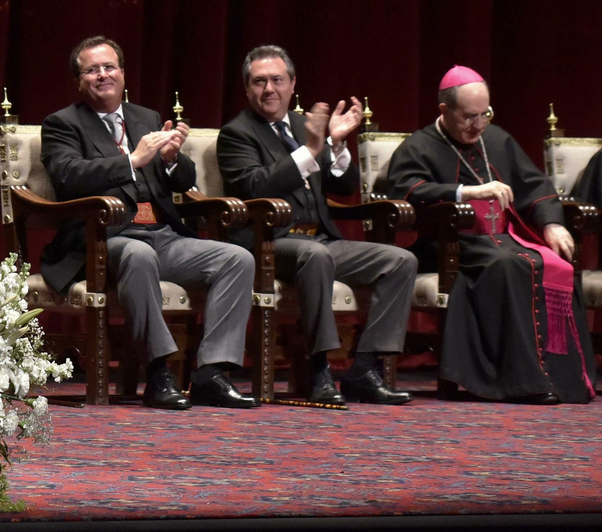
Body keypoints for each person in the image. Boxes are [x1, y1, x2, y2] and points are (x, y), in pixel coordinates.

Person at [40, 36, 259, 410]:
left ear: (123, 74)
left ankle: (211, 373)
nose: (102, 75)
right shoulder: (63, 124)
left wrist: (173, 158)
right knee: (139, 255)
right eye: (92, 70)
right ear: (79, 80)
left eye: (109, 67)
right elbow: (68, 176)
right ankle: (158, 374)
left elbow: (179, 182)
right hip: (105, 238)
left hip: (163, 234)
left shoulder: (146, 118)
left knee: (237, 258)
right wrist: (132, 161)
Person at [217, 46, 415, 406]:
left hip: (321, 239)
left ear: (292, 84)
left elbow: (343, 186)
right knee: (315, 254)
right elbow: (256, 186)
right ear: (247, 89)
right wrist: (311, 149)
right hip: (268, 243)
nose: (269, 89)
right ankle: (320, 369)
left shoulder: (301, 125)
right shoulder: (236, 134)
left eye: (277, 80)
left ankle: (364, 369)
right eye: (259, 82)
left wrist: (337, 143)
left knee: (400, 261)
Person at [385, 66, 596, 403]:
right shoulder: (419, 146)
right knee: (509, 265)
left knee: (555, 264)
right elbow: (406, 191)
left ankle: (562, 380)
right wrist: (467, 192)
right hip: (452, 243)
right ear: (445, 110)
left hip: (505, 239)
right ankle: (518, 382)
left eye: (486, 114)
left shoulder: (497, 140)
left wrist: (552, 223)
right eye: (469, 117)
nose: (479, 125)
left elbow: (534, 185)